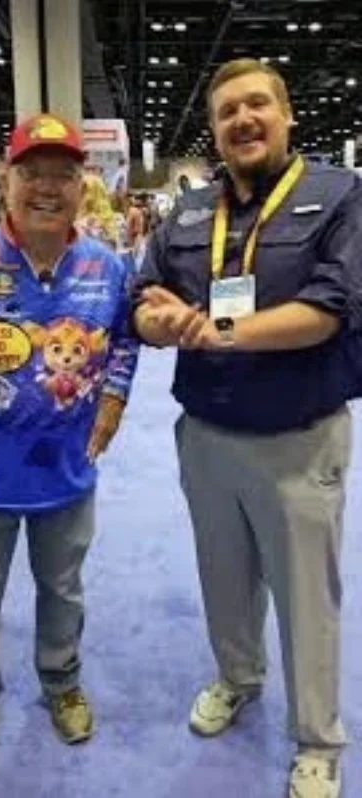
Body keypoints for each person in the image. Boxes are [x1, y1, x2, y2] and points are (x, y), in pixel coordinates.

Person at [133, 58, 362, 798]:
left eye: (257, 104)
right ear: (216, 130)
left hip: (300, 440)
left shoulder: (338, 197)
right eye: (228, 110)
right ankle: (238, 678)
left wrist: (221, 334)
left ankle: (319, 739)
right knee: (224, 582)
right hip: (206, 437)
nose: (243, 119)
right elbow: (142, 297)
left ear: (287, 115)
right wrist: (159, 321)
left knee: (306, 600)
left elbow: (331, 307)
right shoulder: (188, 211)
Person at [0, 112, 139, 792]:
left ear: (82, 185)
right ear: (7, 180)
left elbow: (125, 341)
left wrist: (114, 399)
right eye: (33, 173)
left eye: (63, 175)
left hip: (68, 476)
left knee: (63, 591)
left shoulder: (106, 265)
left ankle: (61, 681)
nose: (48, 187)